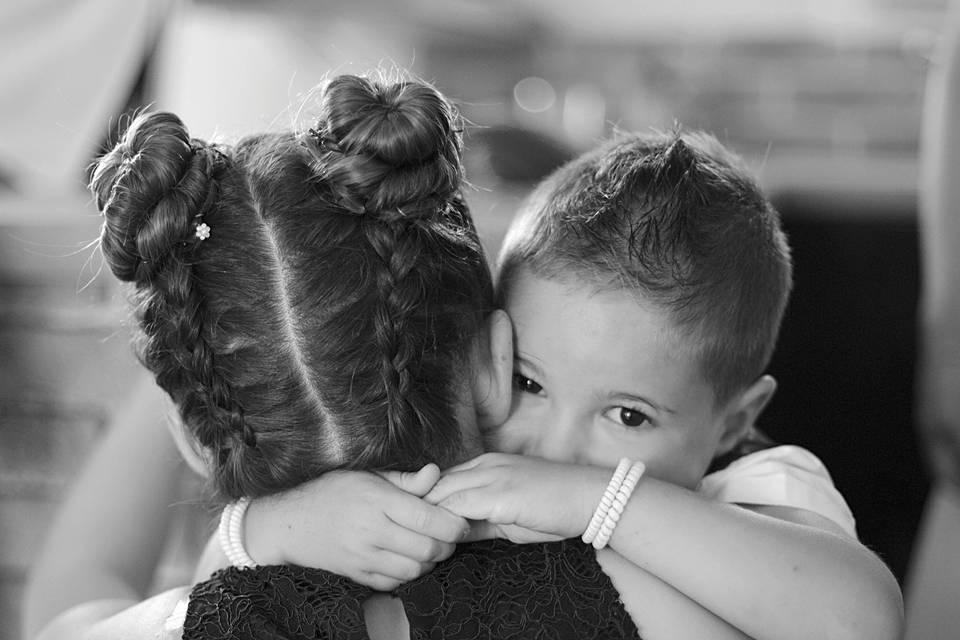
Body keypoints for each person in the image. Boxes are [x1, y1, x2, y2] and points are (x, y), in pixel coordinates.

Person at [26, 72, 657, 640]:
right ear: (497, 362)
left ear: (191, 434)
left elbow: (65, 610)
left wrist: (250, 532)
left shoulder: (203, 621)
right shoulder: (651, 582)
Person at [225, 129, 905, 640]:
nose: (554, 451)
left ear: (732, 422)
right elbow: (221, 593)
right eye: (530, 382)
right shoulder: (473, 455)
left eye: (628, 416)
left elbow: (859, 621)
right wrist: (273, 525)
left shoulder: (760, 485)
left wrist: (597, 502)